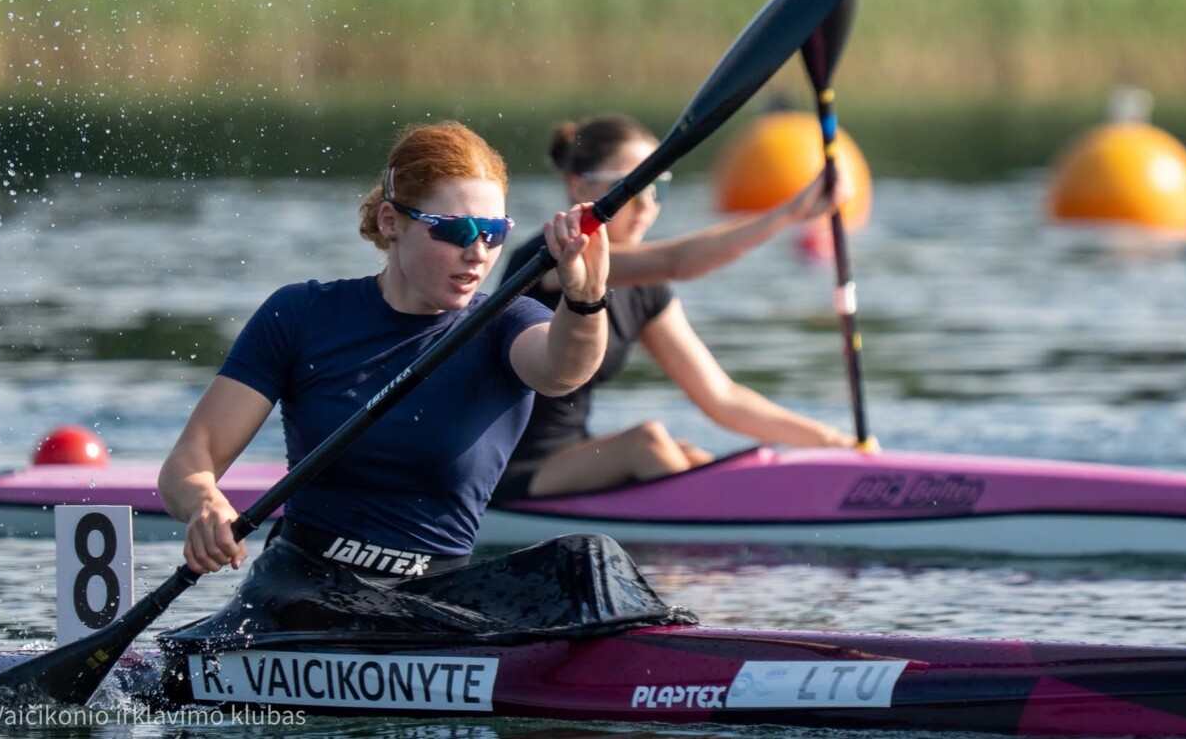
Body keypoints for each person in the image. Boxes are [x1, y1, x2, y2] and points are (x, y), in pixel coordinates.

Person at [158, 120, 611, 578]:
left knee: (589, 563)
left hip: (435, 596)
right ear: (391, 222)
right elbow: (189, 463)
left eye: (493, 232)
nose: (477, 252)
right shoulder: (301, 314)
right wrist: (205, 503)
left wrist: (586, 299)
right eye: (456, 231)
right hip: (299, 589)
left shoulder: (506, 322)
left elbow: (563, 369)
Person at [494, 114, 860, 502]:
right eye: (630, 189)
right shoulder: (550, 258)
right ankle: (730, 544)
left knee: (689, 456)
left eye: (658, 189)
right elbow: (677, 262)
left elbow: (722, 397)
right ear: (577, 185)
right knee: (647, 443)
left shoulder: (644, 291)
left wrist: (833, 441)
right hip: (506, 468)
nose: (647, 206)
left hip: (573, 456)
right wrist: (790, 211)